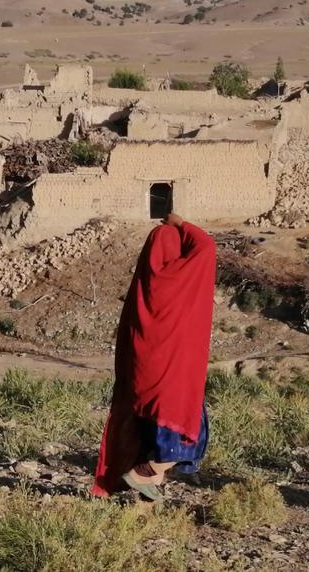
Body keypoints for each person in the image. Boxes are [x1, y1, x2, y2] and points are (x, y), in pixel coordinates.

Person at [92, 213, 216, 501]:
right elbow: (206, 247)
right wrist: (182, 223)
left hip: (142, 380)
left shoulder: (145, 284)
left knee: (148, 436)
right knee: (184, 435)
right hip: (171, 381)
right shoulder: (183, 280)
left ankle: (145, 493)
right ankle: (142, 474)